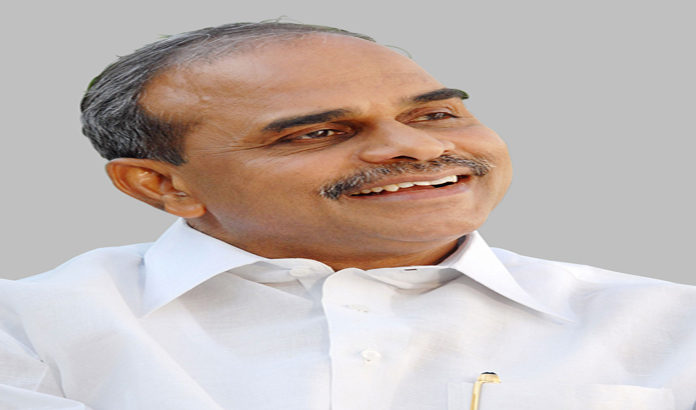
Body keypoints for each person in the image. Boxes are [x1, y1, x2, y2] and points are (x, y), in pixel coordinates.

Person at [0, 21, 694, 410]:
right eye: (319, 132)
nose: (418, 148)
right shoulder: (29, 333)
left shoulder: (670, 327)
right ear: (161, 184)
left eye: (436, 114)